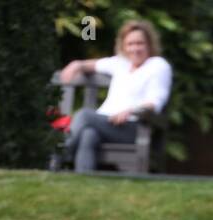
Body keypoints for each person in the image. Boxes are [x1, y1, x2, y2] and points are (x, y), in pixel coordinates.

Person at [56, 20, 172, 173]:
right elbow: (92, 65)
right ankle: (83, 180)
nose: (135, 48)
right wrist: (76, 64)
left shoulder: (158, 65)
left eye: (140, 43)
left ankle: (57, 158)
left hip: (134, 126)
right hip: (106, 124)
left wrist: (131, 110)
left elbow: (155, 101)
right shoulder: (120, 63)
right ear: (123, 46)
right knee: (88, 134)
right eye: (130, 44)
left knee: (84, 116)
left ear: (149, 44)